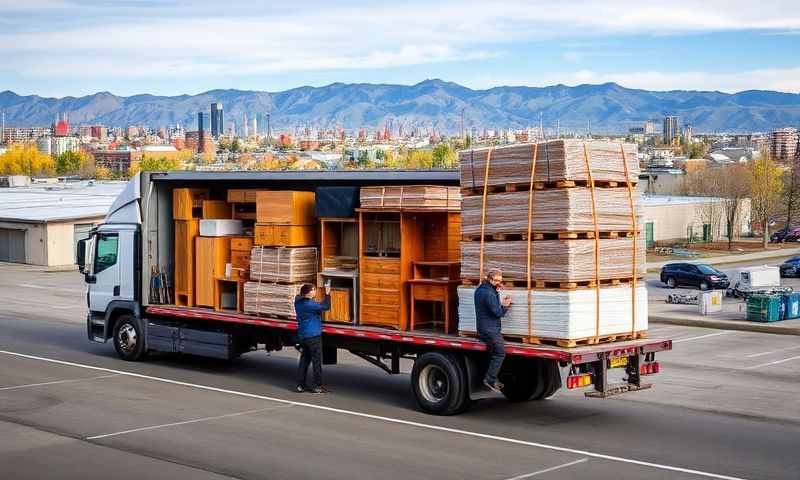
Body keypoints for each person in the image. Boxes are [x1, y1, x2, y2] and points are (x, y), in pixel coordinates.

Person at [474, 268, 512, 393]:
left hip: (483, 327)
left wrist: (496, 291)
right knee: (500, 352)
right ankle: (490, 379)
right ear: (490, 279)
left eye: (500, 280)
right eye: (496, 280)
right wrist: (505, 305)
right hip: (490, 330)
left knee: (491, 351)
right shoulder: (489, 294)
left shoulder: (481, 289)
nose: (499, 283)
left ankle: (486, 375)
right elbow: (497, 313)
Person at [294, 283, 331, 394]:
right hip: (313, 336)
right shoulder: (309, 304)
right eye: (313, 290)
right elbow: (326, 307)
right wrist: (328, 294)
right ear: (309, 292)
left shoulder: (298, 302)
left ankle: (300, 385)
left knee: (304, 361)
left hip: (303, 336)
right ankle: (317, 386)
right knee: (316, 361)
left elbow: (300, 296)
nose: (315, 292)